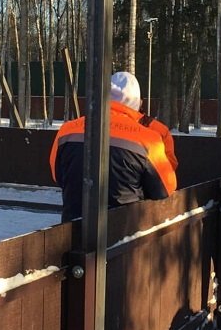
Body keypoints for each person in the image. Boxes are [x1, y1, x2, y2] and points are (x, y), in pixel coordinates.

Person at [49, 71, 177, 223]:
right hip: (123, 233)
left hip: (74, 228)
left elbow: (57, 175)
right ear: (138, 103)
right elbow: (165, 188)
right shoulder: (149, 139)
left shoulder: (67, 130)